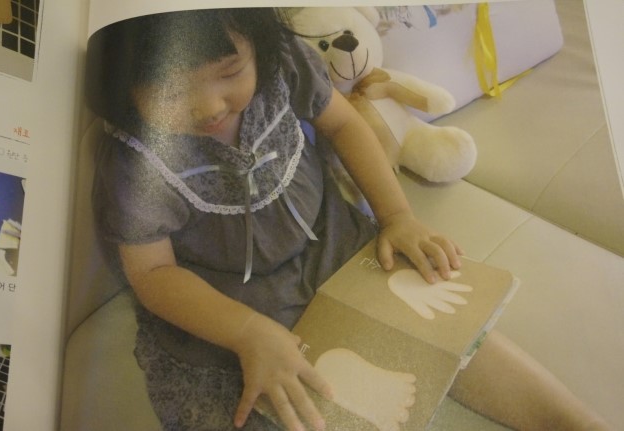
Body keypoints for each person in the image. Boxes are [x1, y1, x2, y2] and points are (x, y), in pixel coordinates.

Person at [86, 8, 612, 431]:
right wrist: (246, 332)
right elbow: (152, 274)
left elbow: (343, 125)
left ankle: (576, 422)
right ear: (120, 88)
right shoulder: (135, 161)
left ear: (258, 47)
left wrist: (398, 216)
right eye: (172, 92)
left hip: (333, 242)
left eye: (229, 73)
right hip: (226, 302)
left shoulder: (281, 63)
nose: (209, 107)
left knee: (443, 321)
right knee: (265, 405)